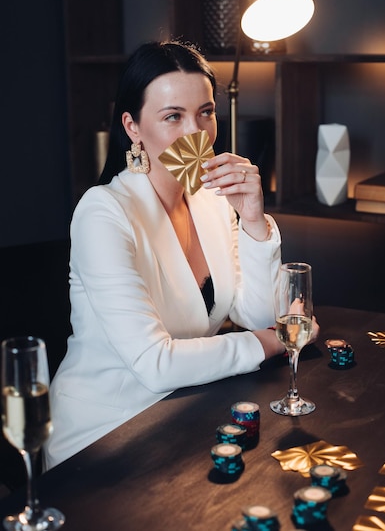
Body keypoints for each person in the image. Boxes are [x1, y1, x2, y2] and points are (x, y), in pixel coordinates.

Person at [44, 40, 319, 469]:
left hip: (186, 413)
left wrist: (252, 218)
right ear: (132, 126)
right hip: (107, 433)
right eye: (173, 116)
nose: (197, 133)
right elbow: (156, 363)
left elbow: (258, 313)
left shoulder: (210, 200)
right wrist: (269, 342)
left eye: (205, 112)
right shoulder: (103, 212)